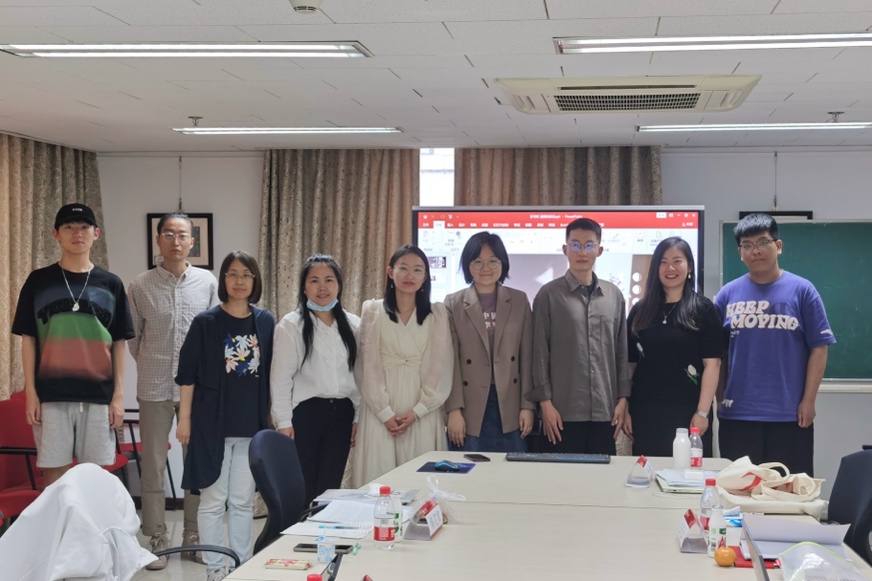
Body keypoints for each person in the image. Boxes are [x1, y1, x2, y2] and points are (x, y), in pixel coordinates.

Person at [11, 203, 134, 487]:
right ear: (56, 233)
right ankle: (60, 521)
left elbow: (119, 343)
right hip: (51, 395)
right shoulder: (38, 281)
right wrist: (31, 394)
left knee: (96, 478)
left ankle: (92, 521)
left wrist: (118, 396)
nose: (77, 233)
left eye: (84, 227)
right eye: (68, 227)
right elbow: (29, 339)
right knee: (55, 478)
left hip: (98, 396)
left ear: (96, 233)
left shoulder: (111, 284)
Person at [175, 251, 275, 581]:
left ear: (255, 280)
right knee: (213, 502)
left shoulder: (265, 321)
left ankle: (241, 565)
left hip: (251, 427)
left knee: (243, 502)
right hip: (210, 426)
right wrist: (185, 419)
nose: (239, 281)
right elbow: (187, 374)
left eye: (246, 274)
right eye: (233, 274)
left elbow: (274, 374)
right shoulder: (206, 322)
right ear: (224, 279)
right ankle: (216, 568)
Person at [127, 212, 219, 569]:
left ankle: (192, 534)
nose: (175, 241)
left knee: (196, 463)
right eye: (168, 234)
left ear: (192, 242)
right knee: (153, 464)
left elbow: (213, 336)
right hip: (154, 386)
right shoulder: (139, 285)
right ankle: (156, 536)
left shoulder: (207, 282)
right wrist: (155, 362)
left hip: (196, 390)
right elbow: (134, 340)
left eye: (182, 235)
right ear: (158, 240)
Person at [714, 213, 834, 476]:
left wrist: (809, 401)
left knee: (789, 492)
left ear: (778, 246)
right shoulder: (726, 295)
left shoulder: (803, 291)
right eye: (747, 245)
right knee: (739, 492)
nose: (755, 251)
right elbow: (716, 356)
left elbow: (820, 348)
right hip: (738, 417)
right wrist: (720, 398)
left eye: (762, 242)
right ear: (740, 252)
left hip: (790, 416)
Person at [351, 245, 453, 487]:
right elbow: (366, 366)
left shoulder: (437, 313)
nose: (410, 275)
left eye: (418, 270)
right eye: (403, 268)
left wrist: (419, 410)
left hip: (421, 409)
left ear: (425, 276)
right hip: (380, 410)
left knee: (420, 482)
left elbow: (441, 365)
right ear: (390, 272)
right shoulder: (372, 310)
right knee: (379, 480)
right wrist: (384, 413)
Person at [529, 218, 630, 455]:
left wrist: (623, 399)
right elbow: (539, 354)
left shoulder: (614, 296)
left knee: (602, 476)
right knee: (561, 477)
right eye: (575, 245)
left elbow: (621, 352)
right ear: (565, 249)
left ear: (599, 250)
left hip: (605, 410)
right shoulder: (548, 295)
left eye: (588, 245)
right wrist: (545, 403)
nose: (582, 252)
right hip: (561, 413)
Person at [271, 254, 361, 507]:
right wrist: (283, 423)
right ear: (304, 287)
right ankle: (298, 530)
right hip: (305, 416)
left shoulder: (354, 325)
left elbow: (359, 377)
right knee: (302, 486)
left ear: (339, 285)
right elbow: (280, 379)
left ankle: (322, 531)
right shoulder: (291, 325)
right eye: (314, 281)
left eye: (329, 280)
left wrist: (358, 416)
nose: (322, 287)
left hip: (342, 415)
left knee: (329, 488)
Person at [625, 237, 722, 457]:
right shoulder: (640, 311)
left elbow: (713, 365)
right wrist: (626, 406)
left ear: (689, 267)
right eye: (663, 262)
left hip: (689, 412)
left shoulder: (703, 309)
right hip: (645, 411)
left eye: (677, 261)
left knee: (689, 472)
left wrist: (702, 413)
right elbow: (630, 365)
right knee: (647, 471)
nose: (670, 268)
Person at [444, 231, 534, 452]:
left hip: (510, 403)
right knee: (468, 470)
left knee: (511, 469)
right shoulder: (453, 303)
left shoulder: (519, 300)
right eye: (477, 261)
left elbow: (527, 358)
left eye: (493, 261)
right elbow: (450, 361)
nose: (485, 268)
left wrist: (528, 406)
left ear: (503, 263)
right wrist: (454, 410)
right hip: (470, 404)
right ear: (467, 265)